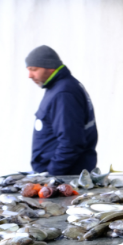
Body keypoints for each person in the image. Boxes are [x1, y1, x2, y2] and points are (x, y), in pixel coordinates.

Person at [26, 45, 98, 175]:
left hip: (65, 177)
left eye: (34, 69)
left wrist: (52, 175)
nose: (29, 75)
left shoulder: (63, 94)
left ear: (50, 67)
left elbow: (71, 142)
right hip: (62, 175)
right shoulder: (59, 87)